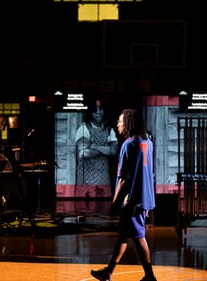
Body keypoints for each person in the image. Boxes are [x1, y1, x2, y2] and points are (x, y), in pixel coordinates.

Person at [90, 109, 157, 281]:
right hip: (144, 198)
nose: (118, 124)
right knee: (124, 235)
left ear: (128, 123)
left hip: (132, 200)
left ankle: (149, 275)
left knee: (138, 236)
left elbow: (124, 179)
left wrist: (115, 202)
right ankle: (108, 272)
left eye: (121, 121)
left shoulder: (128, 144)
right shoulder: (147, 142)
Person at [75, 96, 118, 198]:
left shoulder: (109, 130)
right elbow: (84, 153)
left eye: (101, 108)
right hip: (87, 183)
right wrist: (105, 148)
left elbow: (114, 151)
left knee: (104, 212)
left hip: (104, 182)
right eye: (95, 109)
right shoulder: (84, 128)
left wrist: (95, 147)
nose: (98, 112)